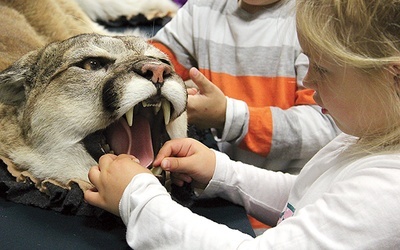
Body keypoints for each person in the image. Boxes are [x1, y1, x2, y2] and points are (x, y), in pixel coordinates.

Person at [84, 0, 400, 249]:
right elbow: (303, 195)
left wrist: (138, 199)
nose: (307, 79)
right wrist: (221, 171)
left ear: (394, 79)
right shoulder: (365, 134)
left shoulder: (386, 192)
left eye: (323, 69)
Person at [150, 0, 340, 173]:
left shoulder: (316, 17)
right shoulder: (201, 8)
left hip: (293, 192)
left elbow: (326, 129)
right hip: (220, 178)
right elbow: (155, 59)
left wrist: (227, 117)